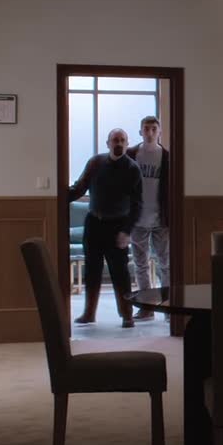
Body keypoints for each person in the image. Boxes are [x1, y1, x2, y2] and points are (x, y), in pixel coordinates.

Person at [66, 127, 143, 328]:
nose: (119, 143)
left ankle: (127, 315)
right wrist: (56, 198)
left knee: (120, 273)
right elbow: (79, 188)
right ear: (108, 143)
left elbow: (137, 205)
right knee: (92, 270)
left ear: (127, 144)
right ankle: (89, 313)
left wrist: (127, 231)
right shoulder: (95, 163)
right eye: (115, 140)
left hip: (118, 225)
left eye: (122, 140)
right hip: (94, 223)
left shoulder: (132, 169)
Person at [128, 114, 171, 319]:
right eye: (146, 128)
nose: (150, 132)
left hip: (161, 219)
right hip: (138, 219)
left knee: (166, 264)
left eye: (154, 129)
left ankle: (169, 305)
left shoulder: (167, 157)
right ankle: (147, 307)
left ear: (159, 132)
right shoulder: (132, 154)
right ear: (140, 131)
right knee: (141, 264)